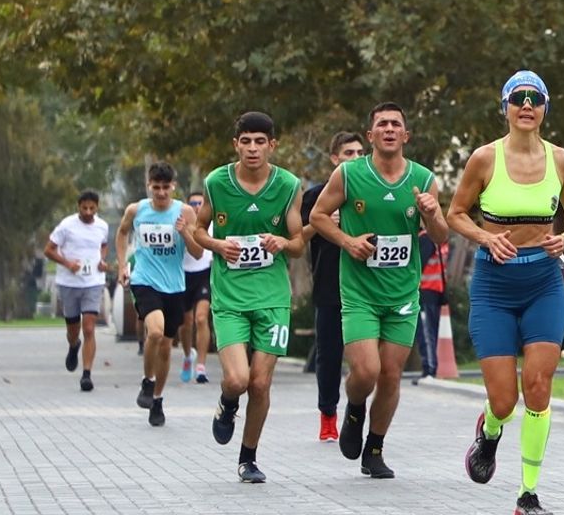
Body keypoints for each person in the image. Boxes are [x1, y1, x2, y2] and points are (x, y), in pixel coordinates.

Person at [445, 71, 564, 515]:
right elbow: (456, 214)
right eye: (518, 98)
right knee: (504, 402)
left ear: (545, 108)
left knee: (539, 387)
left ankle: (528, 493)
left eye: (536, 98)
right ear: (504, 106)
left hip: (544, 283)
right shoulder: (484, 160)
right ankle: (488, 432)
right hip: (494, 287)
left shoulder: (562, 161)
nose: (527, 105)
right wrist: (485, 239)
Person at [309, 102, 449, 479]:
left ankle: (374, 448)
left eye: (396, 125)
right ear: (371, 136)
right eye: (382, 124)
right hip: (359, 293)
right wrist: (347, 241)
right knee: (367, 370)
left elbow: (440, 237)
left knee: (390, 374)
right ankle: (354, 409)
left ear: (406, 136)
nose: (389, 129)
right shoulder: (349, 174)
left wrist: (434, 213)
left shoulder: (422, 178)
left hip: (402, 294)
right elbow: (317, 217)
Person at [192, 111, 305, 483]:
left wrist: (283, 242)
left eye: (260, 142)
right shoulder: (216, 182)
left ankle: (248, 457)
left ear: (272, 145)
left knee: (260, 383)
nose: (252, 149)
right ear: (235, 144)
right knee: (238, 380)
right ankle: (227, 404)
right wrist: (216, 244)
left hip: (272, 298)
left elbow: (299, 243)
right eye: (246, 141)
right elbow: (197, 230)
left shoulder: (288, 185)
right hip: (229, 298)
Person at [115, 162, 204, 427]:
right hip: (145, 281)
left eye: (166, 187)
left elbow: (198, 252)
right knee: (154, 331)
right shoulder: (136, 210)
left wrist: (185, 232)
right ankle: (147, 380)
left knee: (166, 347)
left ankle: (157, 398)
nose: (162, 192)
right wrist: (122, 265)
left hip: (174, 285)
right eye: (157, 187)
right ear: (149, 186)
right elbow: (121, 233)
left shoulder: (184, 211)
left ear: (174, 187)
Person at [300, 130, 365, 442]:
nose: (354, 159)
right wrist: (322, 221)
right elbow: (298, 238)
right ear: (334, 159)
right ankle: (328, 415)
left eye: (358, 153)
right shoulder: (315, 196)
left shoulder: (370, 191)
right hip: (329, 285)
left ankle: (356, 410)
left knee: (365, 359)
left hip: (366, 285)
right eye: (348, 153)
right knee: (329, 354)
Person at [44, 191, 111, 391]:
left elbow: (104, 245)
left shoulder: (103, 226)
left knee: (89, 327)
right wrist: (67, 263)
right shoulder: (66, 226)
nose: (88, 212)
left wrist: (102, 260)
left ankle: (87, 374)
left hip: (93, 282)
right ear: (78, 207)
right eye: (85, 208)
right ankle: (74, 346)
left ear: (97, 207)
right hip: (69, 283)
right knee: (73, 330)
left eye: (92, 208)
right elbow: (48, 250)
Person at [180, 190, 215, 385]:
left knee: (201, 318)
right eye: (193, 203)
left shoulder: (212, 227)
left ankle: (201, 366)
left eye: (200, 203)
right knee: (186, 324)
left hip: (204, 274)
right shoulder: (179, 224)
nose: (197, 207)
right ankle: (188, 356)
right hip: (182, 275)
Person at [412, 228, 451, 382]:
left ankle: (429, 369)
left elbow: (416, 266)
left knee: (426, 332)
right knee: (430, 330)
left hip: (426, 289)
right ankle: (429, 368)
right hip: (436, 289)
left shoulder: (425, 238)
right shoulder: (437, 237)